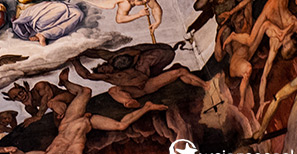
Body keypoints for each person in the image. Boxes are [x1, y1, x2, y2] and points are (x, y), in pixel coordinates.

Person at [0, 69, 167, 154]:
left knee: (85, 91)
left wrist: (11, 151)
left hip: (70, 120)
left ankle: (64, 82)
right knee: (120, 125)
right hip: (88, 123)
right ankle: (148, 107)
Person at [70, 44, 208, 108]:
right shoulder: (109, 77)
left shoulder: (122, 64)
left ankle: (205, 85)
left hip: (148, 84)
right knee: (113, 90)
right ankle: (128, 102)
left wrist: (84, 50)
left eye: (104, 66)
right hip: (136, 90)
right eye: (102, 70)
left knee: (180, 71)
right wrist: (75, 61)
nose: (105, 68)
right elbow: (86, 75)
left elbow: (99, 53)